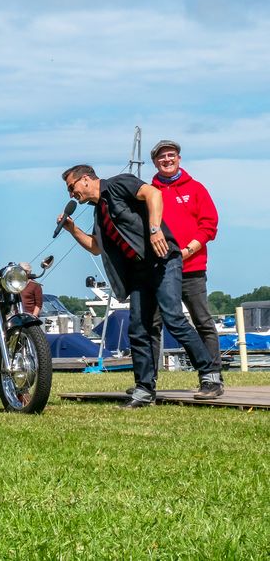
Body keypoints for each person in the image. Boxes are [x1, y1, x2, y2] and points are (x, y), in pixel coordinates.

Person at [58, 164, 222, 408]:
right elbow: (95, 246)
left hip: (163, 260)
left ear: (85, 180)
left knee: (173, 319)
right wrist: (72, 229)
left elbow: (153, 193)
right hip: (139, 271)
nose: (71, 194)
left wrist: (155, 230)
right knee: (137, 328)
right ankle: (144, 389)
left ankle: (211, 377)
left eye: (71, 187)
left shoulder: (118, 183)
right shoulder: (99, 211)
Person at [148, 140, 221, 372]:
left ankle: (213, 374)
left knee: (203, 322)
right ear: (155, 162)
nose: (166, 160)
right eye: (161, 157)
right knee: (152, 324)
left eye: (171, 155)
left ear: (179, 158)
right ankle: (147, 381)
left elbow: (209, 225)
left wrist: (188, 250)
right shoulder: (149, 193)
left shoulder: (196, 188)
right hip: (160, 270)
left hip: (192, 268)